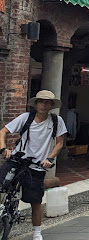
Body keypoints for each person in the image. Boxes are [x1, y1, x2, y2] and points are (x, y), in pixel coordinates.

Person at [0, 90, 67, 240]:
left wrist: (50, 158)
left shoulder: (56, 121)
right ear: (36, 104)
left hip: (37, 165)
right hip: (17, 160)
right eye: (41, 101)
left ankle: (37, 232)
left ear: (51, 105)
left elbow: (59, 143)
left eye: (47, 102)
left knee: (35, 201)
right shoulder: (26, 118)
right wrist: (4, 149)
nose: (43, 105)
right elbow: (3, 131)